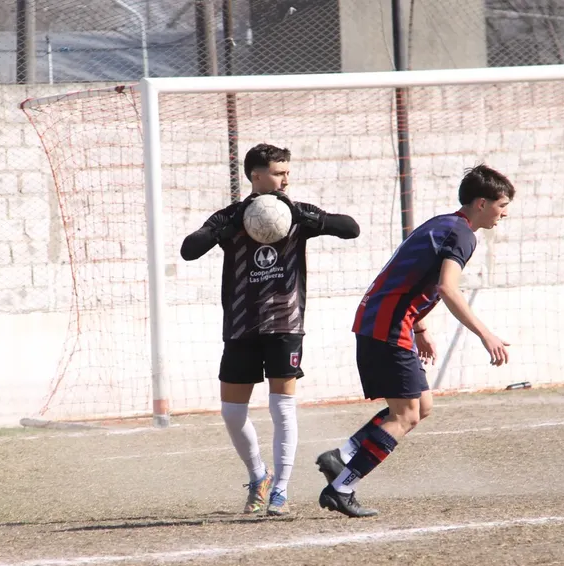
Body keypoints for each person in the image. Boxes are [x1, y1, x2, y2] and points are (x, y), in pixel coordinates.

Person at [315, 164, 515, 517]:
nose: (505, 212)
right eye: (502, 204)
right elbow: (446, 288)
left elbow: (411, 275)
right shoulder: (463, 234)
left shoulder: (443, 223)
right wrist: (486, 335)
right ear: (481, 203)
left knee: (421, 406)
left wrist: (420, 328)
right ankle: (342, 487)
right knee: (406, 414)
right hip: (388, 326)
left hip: (386, 321)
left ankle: (344, 455)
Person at [181, 143, 360, 516]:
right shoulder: (230, 217)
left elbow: (351, 229)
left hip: (285, 323)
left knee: (282, 408)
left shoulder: (296, 214)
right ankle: (258, 475)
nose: (285, 179)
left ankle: (280, 489)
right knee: (232, 412)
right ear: (255, 175)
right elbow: (189, 249)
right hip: (241, 325)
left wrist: (314, 219)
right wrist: (228, 228)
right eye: (279, 173)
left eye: (287, 172)